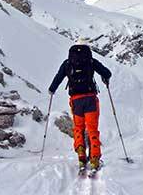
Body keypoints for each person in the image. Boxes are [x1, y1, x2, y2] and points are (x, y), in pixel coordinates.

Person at [48, 37, 112, 170]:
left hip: (76, 101)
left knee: (79, 128)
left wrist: (52, 89)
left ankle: (81, 155)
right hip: (90, 99)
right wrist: (104, 77)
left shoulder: (68, 63)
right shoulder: (91, 61)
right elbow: (107, 73)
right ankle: (94, 159)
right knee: (92, 129)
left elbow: (58, 77)